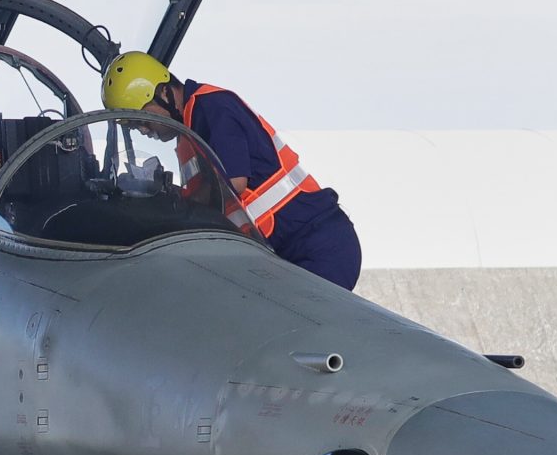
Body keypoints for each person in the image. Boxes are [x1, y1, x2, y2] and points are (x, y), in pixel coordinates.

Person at [101, 51, 363, 290]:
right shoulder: (188, 135)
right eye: (134, 126)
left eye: (143, 119)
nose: (144, 129)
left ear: (164, 93)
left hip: (317, 244)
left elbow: (232, 184)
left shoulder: (212, 107)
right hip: (283, 253)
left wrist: (173, 208)